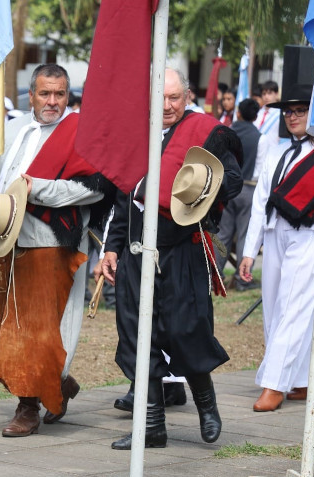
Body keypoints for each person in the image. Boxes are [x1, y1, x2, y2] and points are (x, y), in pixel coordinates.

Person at [99, 68, 242, 450]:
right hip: (134, 251)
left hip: (183, 249)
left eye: (175, 97)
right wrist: (111, 247)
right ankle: (151, 426)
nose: (166, 105)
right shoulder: (136, 135)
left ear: (188, 96)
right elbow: (123, 199)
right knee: (136, 337)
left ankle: (207, 406)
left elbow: (232, 180)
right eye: (160, 97)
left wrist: (200, 182)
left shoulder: (206, 132)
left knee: (186, 330)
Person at [0, 64, 114, 437]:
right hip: (6, 241)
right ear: (31, 95)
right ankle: (59, 384)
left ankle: (28, 406)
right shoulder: (11, 129)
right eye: (45, 93)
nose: (53, 101)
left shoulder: (81, 133)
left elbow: (94, 189)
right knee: (12, 327)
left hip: (51, 241)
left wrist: (36, 188)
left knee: (43, 331)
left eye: (60, 94)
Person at [239, 83, 314, 412]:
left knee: (294, 306)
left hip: (308, 236)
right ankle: (298, 378)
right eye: (288, 111)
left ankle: (274, 383)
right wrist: (248, 250)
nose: (292, 117)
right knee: (272, 309)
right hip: (274, 234)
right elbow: (259, 203)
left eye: (300, 110)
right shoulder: (275, 150)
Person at [216, 98, 270, 291]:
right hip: (248, 187)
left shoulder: (226, 132)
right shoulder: (260, 137)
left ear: (238, 112)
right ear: (256, 116)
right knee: (246, 234)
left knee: (222, 233)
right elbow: (259, 170)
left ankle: (215, 274)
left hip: (225, 187)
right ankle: (242, 278)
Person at [254, 81, 281, 146]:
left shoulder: (280, 114)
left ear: (276, 94)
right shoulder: (257, 113)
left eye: (269, 93)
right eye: (264, 94)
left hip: (273, 151)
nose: (266, 97)